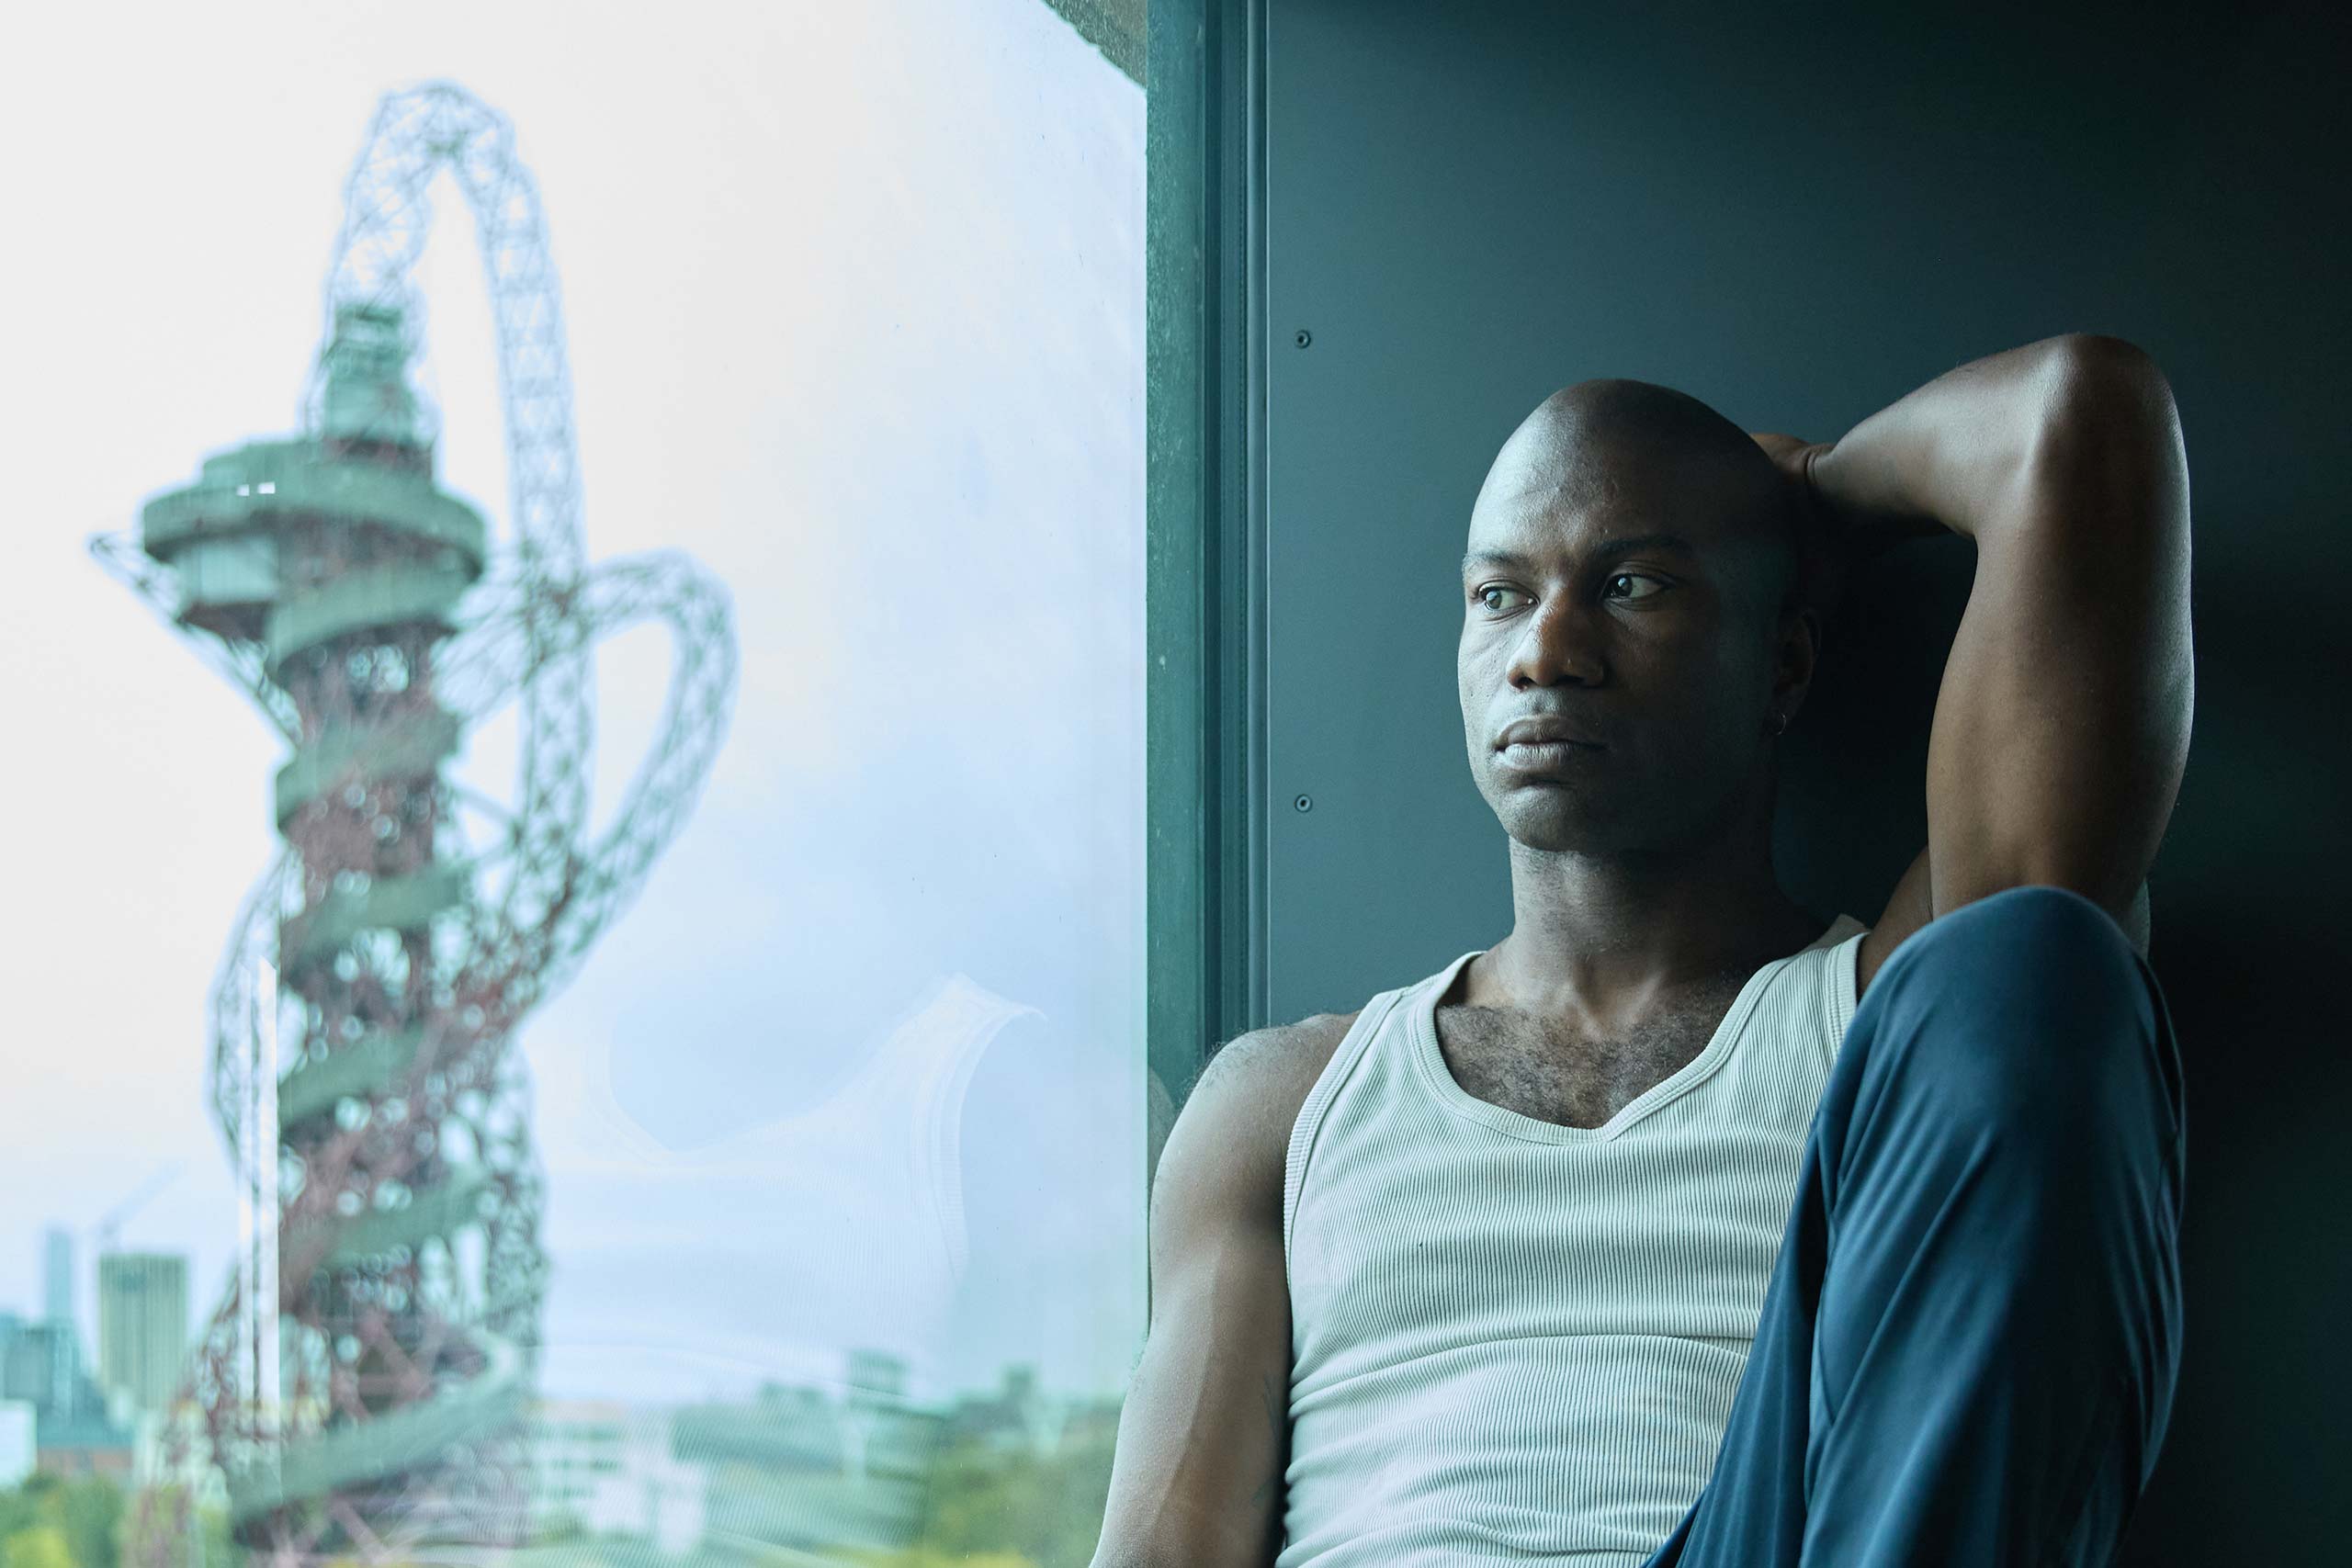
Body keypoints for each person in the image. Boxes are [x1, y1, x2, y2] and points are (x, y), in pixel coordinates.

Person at [1089, 333, 2193, 1566]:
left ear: (1782, 663)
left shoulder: (1892, 1016)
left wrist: (1817, 485)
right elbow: (1163, 1552)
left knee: (2033, 958)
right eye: (1500, 594)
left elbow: (2075, 415)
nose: (1544, 652)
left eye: (1634, 585)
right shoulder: (1284, 1106)